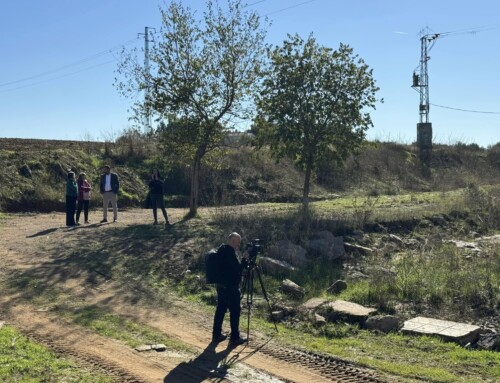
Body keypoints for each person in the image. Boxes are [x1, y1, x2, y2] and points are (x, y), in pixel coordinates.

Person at [212, 232, 247, 346]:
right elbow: (238, 269)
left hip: (221, 286)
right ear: (233, 241)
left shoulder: (221, 250)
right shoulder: (229, 252)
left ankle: (216, 335)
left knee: (221, 310)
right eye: (238, 242)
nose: (238, 245)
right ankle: (235, 337)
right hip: (230, 288)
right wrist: (244, 259)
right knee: (235, 311)